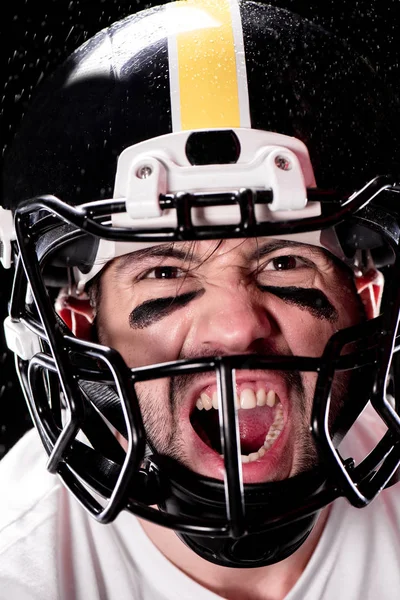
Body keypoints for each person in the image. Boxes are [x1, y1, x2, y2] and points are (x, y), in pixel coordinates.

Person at [0, 0, 400, 598]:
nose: (237, 328)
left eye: (285, 263)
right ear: (81, 324)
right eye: (164, 272)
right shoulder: (21, 567)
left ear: (364, 299)